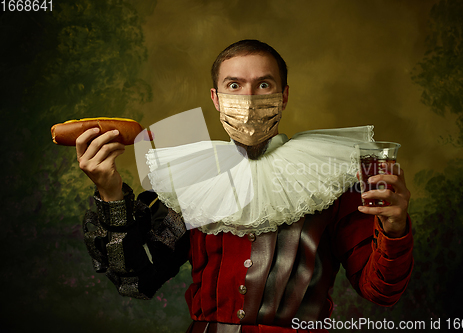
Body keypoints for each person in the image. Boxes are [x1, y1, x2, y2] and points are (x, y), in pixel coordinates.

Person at [77, 39, 413, 332]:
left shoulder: (331, 175)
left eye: (263, 85)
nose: (248, 98)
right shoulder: (193, 180)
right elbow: (137, 281)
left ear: (283, 97)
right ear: (216, 98)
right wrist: (110, 192)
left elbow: (381, 292)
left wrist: (395, 229)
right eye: (234, 86)